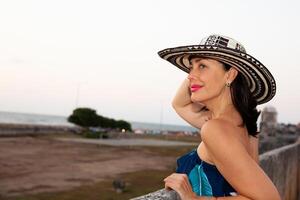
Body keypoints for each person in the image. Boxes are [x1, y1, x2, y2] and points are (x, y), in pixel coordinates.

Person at [158, 35, 281, 200]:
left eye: (202, 65)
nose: (189, 76)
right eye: (190, 67)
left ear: (230, 75)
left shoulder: (215, 128)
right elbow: (180, 104)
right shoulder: (244, 127)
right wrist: (198, 72)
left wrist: (193, 198)